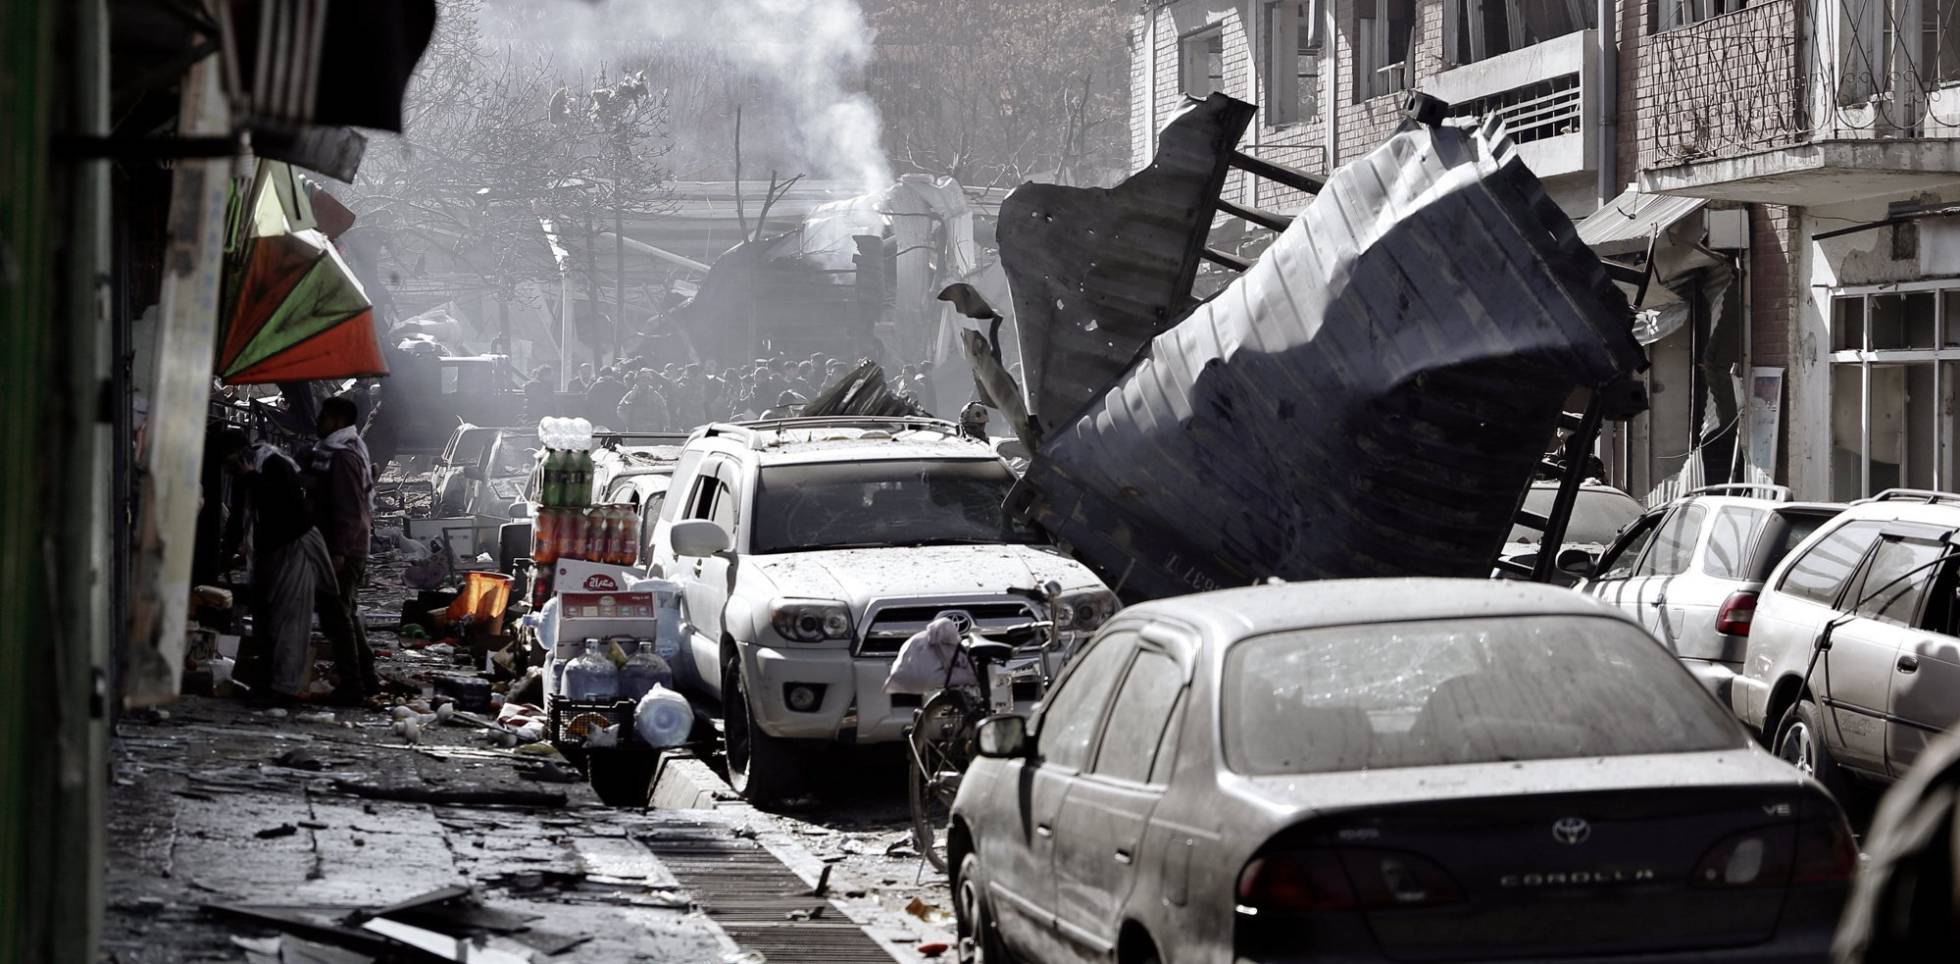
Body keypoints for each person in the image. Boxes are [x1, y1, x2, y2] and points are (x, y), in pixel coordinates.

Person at [212, 429, 353, 704]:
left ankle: (286, 689)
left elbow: (284, 508)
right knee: (267, 620)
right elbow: (240, 514)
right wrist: (228, 550)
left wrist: (252, 479)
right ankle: (267, 683)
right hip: (272, 552)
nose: (229, 472)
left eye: (230, 465)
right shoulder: (246, 473)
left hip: (296, 546)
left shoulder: (274, 466)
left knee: (294, 619)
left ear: (243, 455)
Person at [307, 396, 381, 703]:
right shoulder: (344, 451)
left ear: (336, 420)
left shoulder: (343, 457)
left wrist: (338, 552)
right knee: (344, 614)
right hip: (348, 545)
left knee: (336, 616)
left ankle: (353, 685)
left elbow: (349, 508)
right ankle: (366, 678)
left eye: (323, 416)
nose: (318, 421)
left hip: (344, 548)